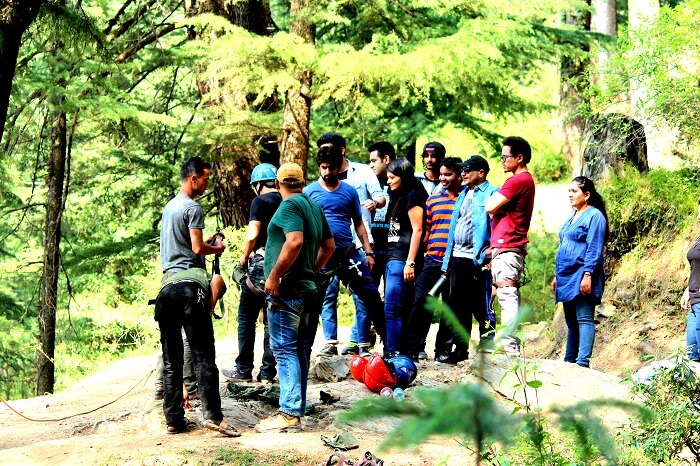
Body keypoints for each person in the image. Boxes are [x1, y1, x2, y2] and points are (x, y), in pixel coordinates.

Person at [154, 156, 239, 436]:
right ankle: (214, 417)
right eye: (205, 178)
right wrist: (218, 248)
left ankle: (174, 420)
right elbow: (196, 247)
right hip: (192, 288)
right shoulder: (193, 207)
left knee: (171, 359)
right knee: (203, 356)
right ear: (193, 179)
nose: (207, 183)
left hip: (167, 290)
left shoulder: (169, 207)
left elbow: (181, 246)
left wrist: (205, 243)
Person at [254, 163, 335, 433]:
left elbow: (295, 241)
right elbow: (329, 245)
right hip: (309, 291)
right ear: (301, 182)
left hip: (288, 293)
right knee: (300, 351)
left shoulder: (289, 207)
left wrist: (275, 275)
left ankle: (289, 413)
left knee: (286, 351)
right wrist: (312, 270)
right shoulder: (313, 206)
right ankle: (296, 408)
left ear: (277, 185)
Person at [304, 145, 387, 357]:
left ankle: (389, 347)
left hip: (348, 253)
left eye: (330, 168)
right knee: (314, 303)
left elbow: (359, 223)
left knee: (370, 296)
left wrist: (368, 252)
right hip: (321, 257)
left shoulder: (349, 191)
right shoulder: (309, 192)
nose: (327, 172)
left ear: (337, 166)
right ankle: (304, 351)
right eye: (322, 168)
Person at [436, 155, 500, 363]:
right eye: (462, 169)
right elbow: (455, 227)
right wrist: (447, 262)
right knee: (458, 307)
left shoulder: (493, 193)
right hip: (457, 258)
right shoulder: (463, 193)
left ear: (481, 172)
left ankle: (487, 350)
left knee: (482, 306)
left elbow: (497, 225)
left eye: (467, 169)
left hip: (479, 259)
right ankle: (460, 349)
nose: (462, 173)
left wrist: (492, 254)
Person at [220, 163, 279, 384]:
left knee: (246, 317)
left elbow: (253, 233)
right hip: (281, 267)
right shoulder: (287, 200)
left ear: (257, 185)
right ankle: (267, 373)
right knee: (270, 320)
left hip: (260, 266)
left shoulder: (260, 201)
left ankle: (243, 369)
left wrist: (244, 257)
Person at [406, 157, 463, 360]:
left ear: (459, 175)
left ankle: (442, 351)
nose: (443, 178)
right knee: (422, 301)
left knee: (449, 306)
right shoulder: (432, 200)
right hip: (432, 260)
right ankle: (414, 347)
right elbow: (426, 231)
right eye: (441, 175)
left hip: (455, 263)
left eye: (448, 174)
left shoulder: (465, 199)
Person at [485, 136, 536, 356]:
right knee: (507, 294)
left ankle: (510, 348)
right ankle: (509, 345)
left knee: (507, 295)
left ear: (519, 157)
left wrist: (498, 208)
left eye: (505, 157)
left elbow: (489, 205)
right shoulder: (522, 181)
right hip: (506, 246)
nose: (502, 161)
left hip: (508, 245)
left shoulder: (517, 180)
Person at [551, 176, 608, 368]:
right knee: (571, 321)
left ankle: (582, 363)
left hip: (583, 273)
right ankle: (569, 360)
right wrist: (556, 276)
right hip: (566, 274)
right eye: (569, 191)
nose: (570, 194)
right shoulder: (572, 215)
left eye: (574, 191)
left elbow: (594, 247)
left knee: (584, 317)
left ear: (587, 194)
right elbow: (565, 244)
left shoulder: (595, 216)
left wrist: (588, 274)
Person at [384, 158, 427, 355]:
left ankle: (394, 353)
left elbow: (418, 230)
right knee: (396, 308)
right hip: (393, 256)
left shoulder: (412, 195)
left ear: (404, 177)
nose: (388, 181)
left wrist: (410, 262)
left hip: (402, 258)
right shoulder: (397, 195)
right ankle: (398, 351)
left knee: (392, 307)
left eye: (392, 177)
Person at [681, 199, 700, 363]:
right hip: (695, 300)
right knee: (692, 354)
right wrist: (688, 290)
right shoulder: (699, 239)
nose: (699, 217)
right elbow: (696, 268)